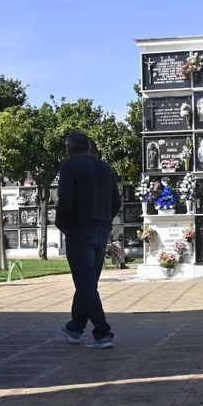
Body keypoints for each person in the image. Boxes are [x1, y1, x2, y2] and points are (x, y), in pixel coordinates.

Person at [56, 131, 123, 349]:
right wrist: (104, 220)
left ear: (68, 148)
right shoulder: (106, 168)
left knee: (85, 283)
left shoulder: (69, 166)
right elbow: (116, 201)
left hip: (79, 229)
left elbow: (66, 198)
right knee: (88, 283)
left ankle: (103, 333)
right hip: (101, 230)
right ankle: (75, 327)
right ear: (90, 147)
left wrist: (62, 223)